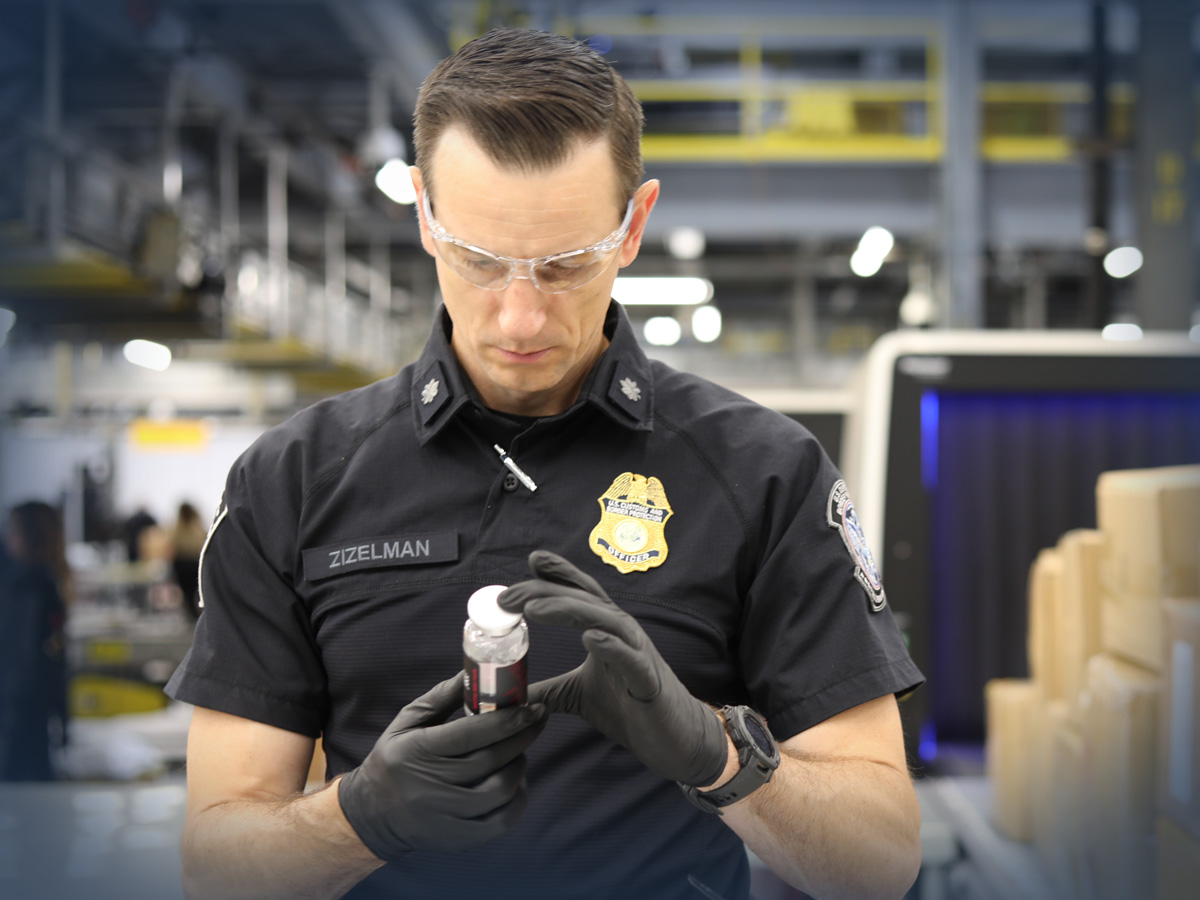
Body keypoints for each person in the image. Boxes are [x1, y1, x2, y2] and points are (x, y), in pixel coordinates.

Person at [166, 28, 924, 900]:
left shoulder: (766, 476)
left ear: (633, 225)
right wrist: (360, 816)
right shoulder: (291, 484)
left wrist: (719, 755)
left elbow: (880, 863)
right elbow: (214, 872)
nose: (520, 318)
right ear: (423, 216)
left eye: (565, 265)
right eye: (481, 261)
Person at [0, 502, 69, 781]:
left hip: (22, 702)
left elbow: (21, 651)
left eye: (13, 530)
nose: (7, 537)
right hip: (36, 699)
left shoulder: (28, 582)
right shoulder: (45, 579)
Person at [169, 501, 207, 619]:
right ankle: (194, 614)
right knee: (195, 591)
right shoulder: (196, 526)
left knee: (188, 592)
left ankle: (191, 614)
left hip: (182, 563)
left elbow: (173, 545)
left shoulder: (178, 527)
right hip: (193, 562)